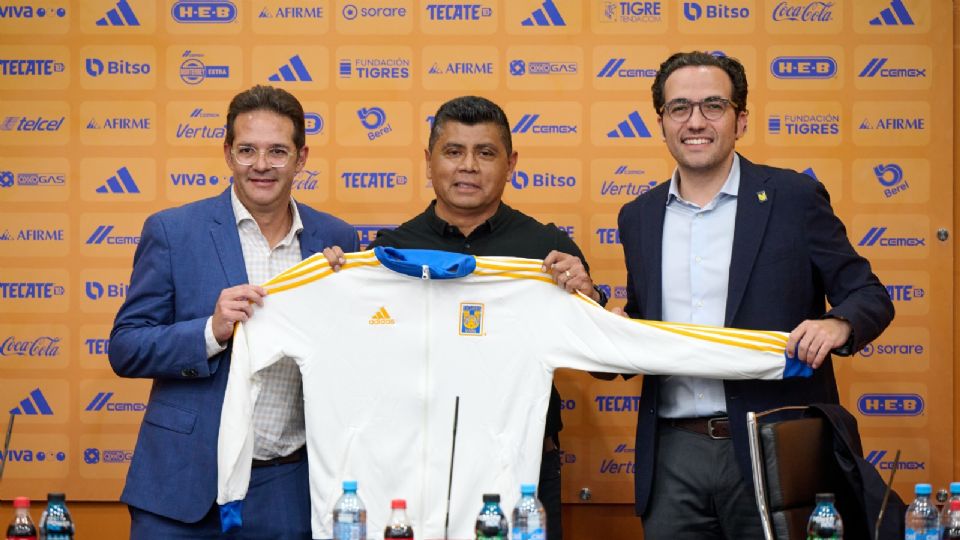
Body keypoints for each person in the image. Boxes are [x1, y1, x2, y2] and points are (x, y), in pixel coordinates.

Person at [617, 51, 894, 539]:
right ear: (660, 121)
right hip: (671, 454)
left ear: (740, 120)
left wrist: (839, 324)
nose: (695, 121)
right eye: (679, 107)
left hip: (774, 445)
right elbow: (641, 324)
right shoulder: (637, 216)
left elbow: (868, 293)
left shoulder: (794, 198)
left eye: (713, 106)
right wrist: (601, 318)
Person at [325, 95, 605, 540]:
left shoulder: (547, 249)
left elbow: (605, 368)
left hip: (524, 470)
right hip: (418, 468)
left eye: (486, 153)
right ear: (429, 161)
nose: (468, 166)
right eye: (454, 151)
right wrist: (334, 290)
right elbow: (358, 360)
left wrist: (587, 300)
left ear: (511, 163)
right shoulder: (389, 252)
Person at [109, 85, 359, 538]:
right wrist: (210, 330)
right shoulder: (172, 231)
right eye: (247, 150)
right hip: (182, 485)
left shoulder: (334, 240)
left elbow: (353, 358)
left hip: (286, 485)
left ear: (302, 158)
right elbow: (126, 348)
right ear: (228, 153)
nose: (261, 165)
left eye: (277, 151)